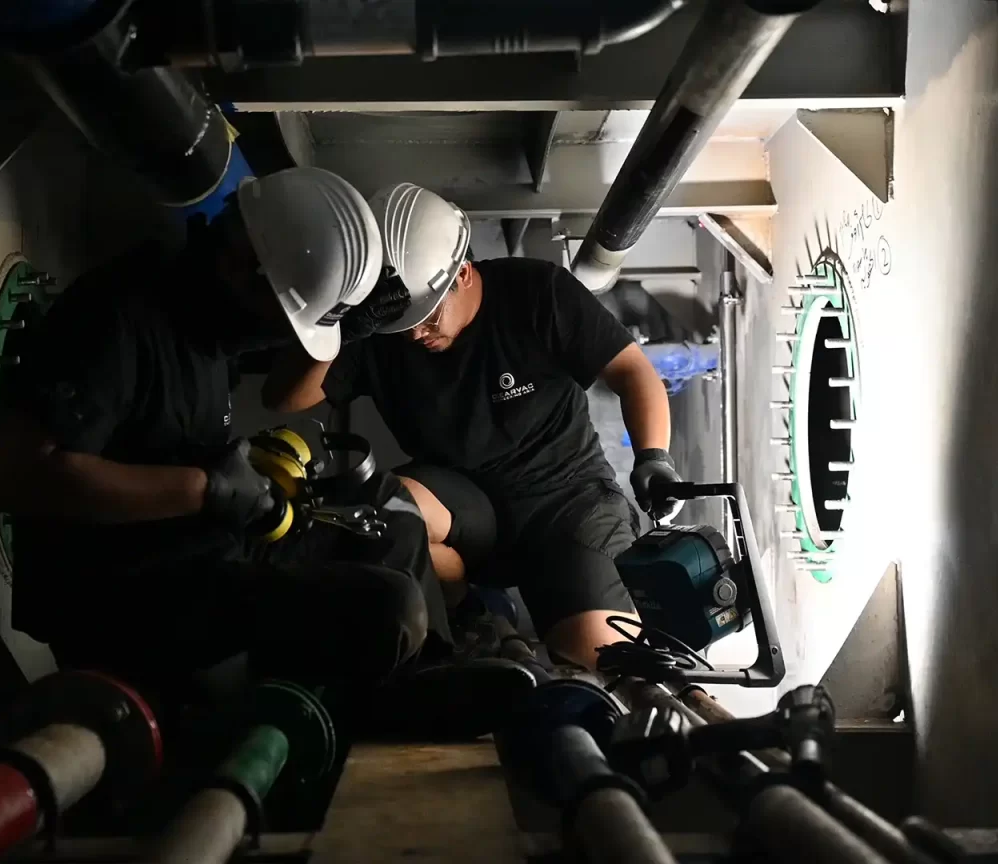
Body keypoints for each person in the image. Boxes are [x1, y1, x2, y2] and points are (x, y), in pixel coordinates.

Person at [0, 168, 458, 706]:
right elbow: (5, 478)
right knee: (386, 609)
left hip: (198, 548)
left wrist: (344, 329)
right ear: (247, 269)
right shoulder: (118, 317)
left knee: (394, 516)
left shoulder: (208, 317)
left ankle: (424, 675)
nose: (277, 339)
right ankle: (373, 711)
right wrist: (204, 489)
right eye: (283, 323)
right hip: (124, 592)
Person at [264, 182, 684, 669]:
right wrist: (340, 327)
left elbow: (633, 372)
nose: (416, 334)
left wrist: (654, 458)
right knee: (388, 505)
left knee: (604, 655)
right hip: (468, 505)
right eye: (403, 325)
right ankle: (473, 614)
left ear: (461, 273)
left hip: (567, 501)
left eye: (427, 317)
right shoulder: (377, 327)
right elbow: (282, 399)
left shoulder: (535, 292)